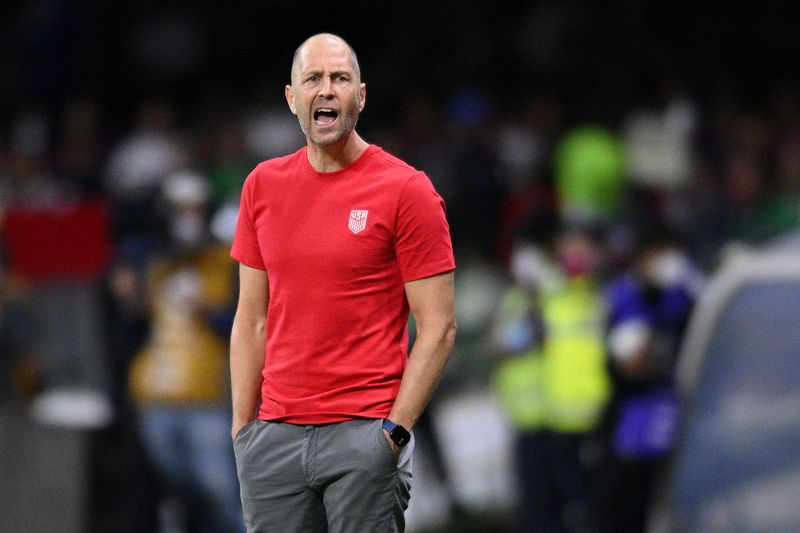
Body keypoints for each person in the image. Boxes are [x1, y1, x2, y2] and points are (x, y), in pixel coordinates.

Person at [229, 33, 457, 533]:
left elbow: (438, 327)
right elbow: (251, 318)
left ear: (361, 95)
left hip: (364, 434)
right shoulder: (260, 186)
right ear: (292, 98)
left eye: (340, 78)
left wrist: (392, 433)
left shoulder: (406, 190)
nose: (326, 89)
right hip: (273, 440)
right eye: (313, 79)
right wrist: (243, 431)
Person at [128, 170, 245, 533]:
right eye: (178, 209)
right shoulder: (154, 263)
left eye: (193, 209)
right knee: (177, 488)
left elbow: (248, 325)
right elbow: (134, 317)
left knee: (218, 487)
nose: (185, 218)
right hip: (154, 392)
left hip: (206, 394)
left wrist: (210, 315)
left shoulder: (226, 261)